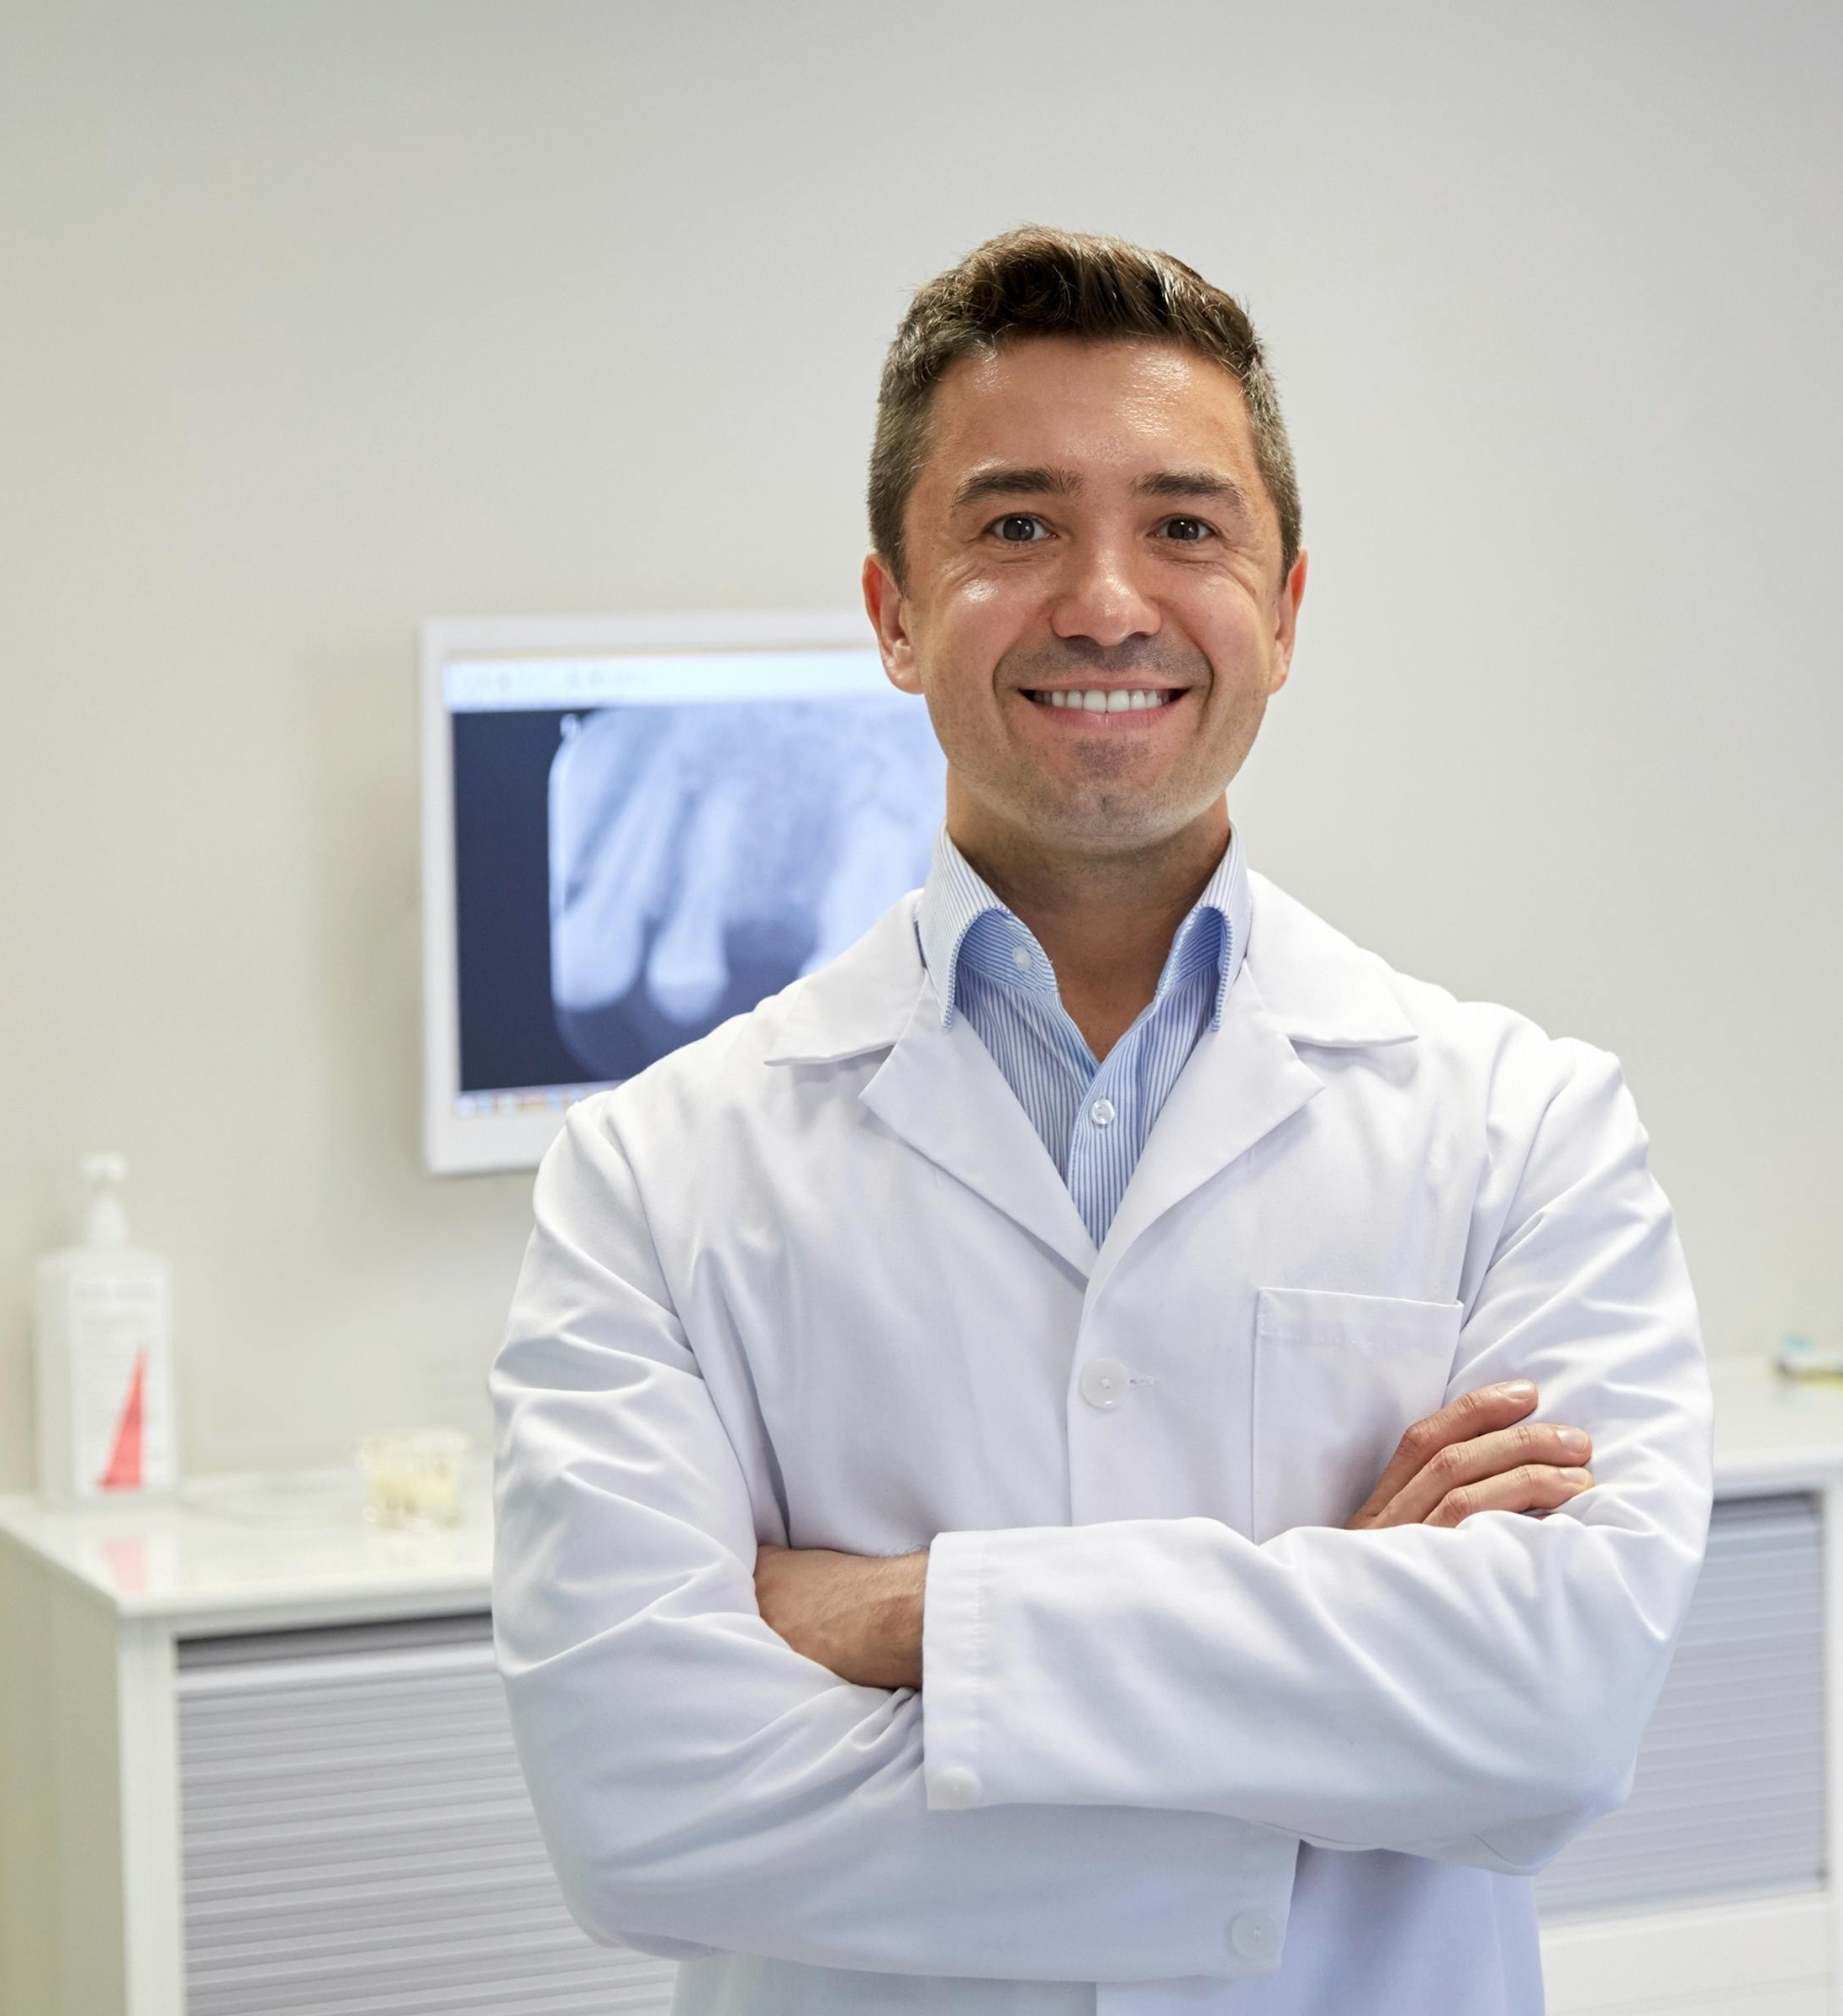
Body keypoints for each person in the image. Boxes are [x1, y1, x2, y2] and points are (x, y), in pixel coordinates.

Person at [490, 225, 1714, 2016]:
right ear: (891, 614)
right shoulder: (657, 1170)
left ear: (1286, 609)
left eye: (1184, 524)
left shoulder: (1522, 1125)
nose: (1106, 598)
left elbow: (1555, 1710)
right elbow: (643, 1807)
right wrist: (1325, 1651)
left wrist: (912, 1616)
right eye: (1012, 524)